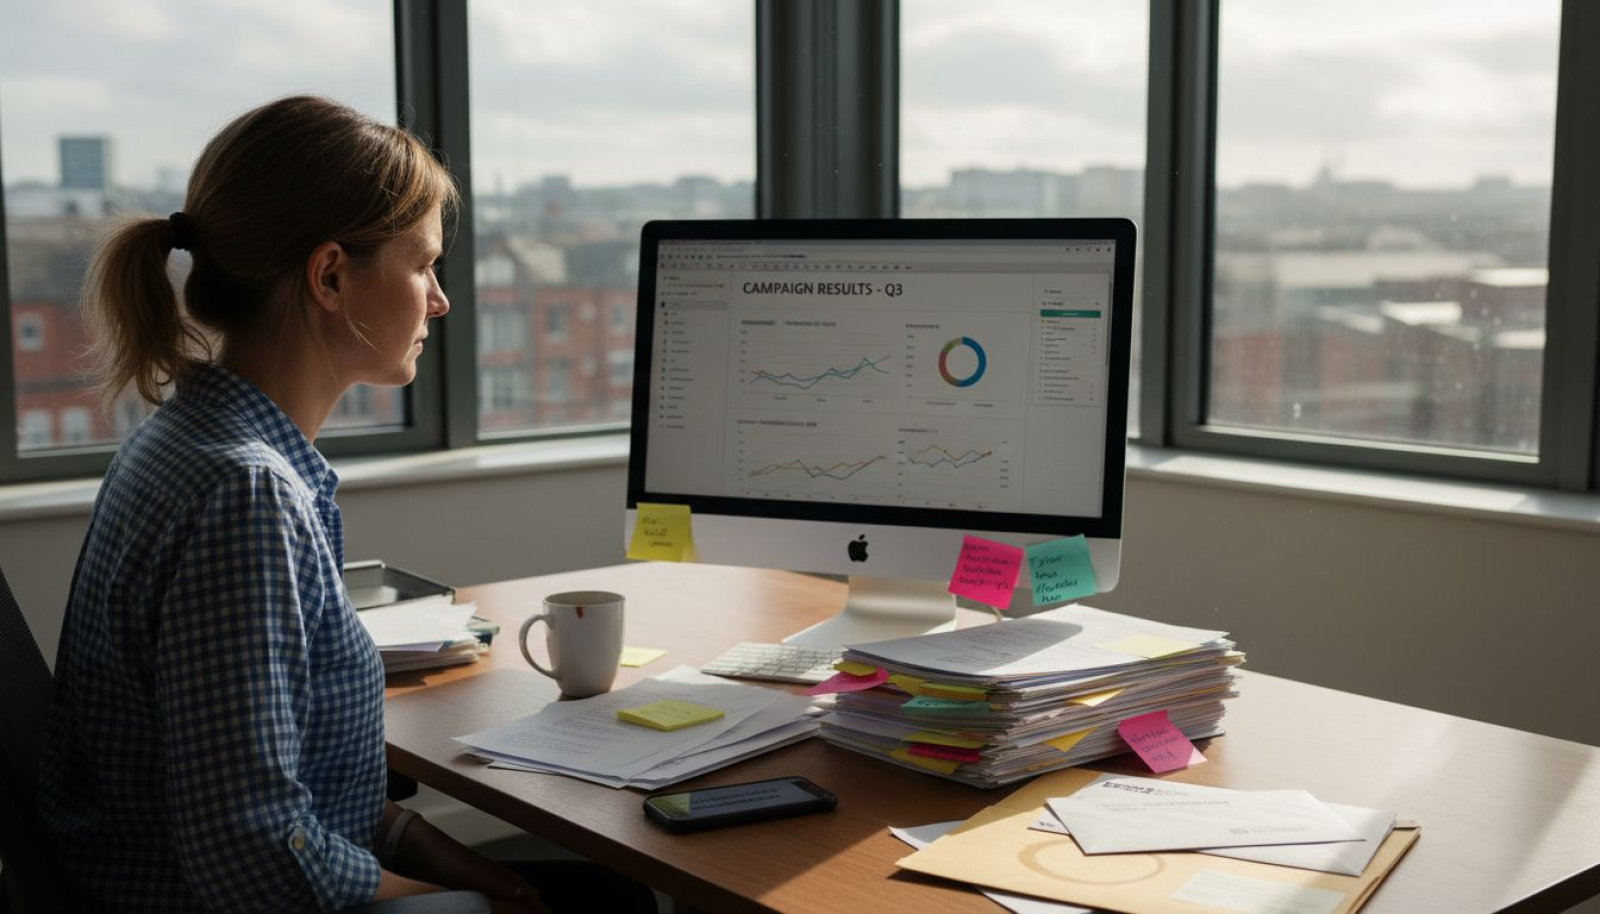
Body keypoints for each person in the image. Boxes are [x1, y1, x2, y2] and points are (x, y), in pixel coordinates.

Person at [37, 96, 652, 914]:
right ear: (330, 276)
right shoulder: (244, 493)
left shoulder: (187, 438)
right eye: (423, 264)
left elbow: (319, 797)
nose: (438, 300)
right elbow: (253, 851)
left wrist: (491, 880)